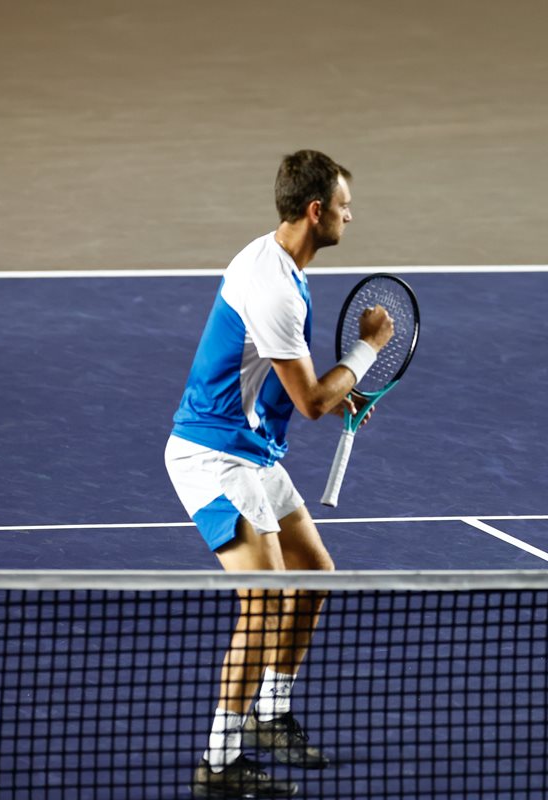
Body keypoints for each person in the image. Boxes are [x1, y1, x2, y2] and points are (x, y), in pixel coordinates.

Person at [165, 149, 395, 797]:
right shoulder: (275, 288)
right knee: (264, 600)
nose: (351, 216)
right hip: (213, 456)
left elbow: (277, 374)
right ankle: (219, 761)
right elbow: (312, 403)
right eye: (344, 206)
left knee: (313, 573)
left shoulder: (282, 267)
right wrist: (366, 350)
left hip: (253, 451)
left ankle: (269, 714)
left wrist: (336, 389)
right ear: (316, 211)